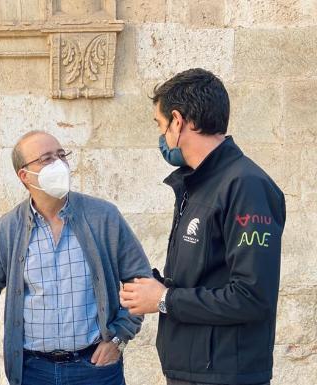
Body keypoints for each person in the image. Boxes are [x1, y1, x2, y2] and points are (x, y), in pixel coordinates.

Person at [0, 130, 151, 385]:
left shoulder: (103, 217)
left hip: (95, 368)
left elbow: (140, 281)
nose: (59, 164)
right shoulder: (8, 229)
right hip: (33, 371)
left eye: (61, 155)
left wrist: (119, 337)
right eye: (46, 158)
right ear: (24, 175)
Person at [119, 68, 286, 385]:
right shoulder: (196, 184)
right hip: (192, 370)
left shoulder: (245, 186)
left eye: (161, 125)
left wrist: (165, 298)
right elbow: (205, 276)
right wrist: (150, 287)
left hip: (225, 374)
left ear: (178, 121)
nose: (162, 137)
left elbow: (251, 297)